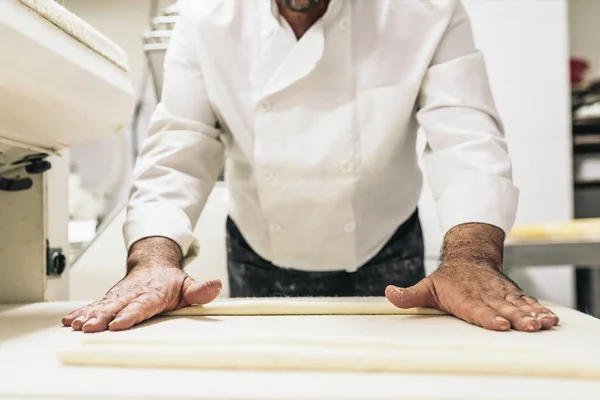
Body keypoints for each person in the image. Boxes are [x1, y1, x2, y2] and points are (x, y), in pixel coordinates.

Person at [63, 0, 559, 333]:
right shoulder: (205, 15)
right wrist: (151, 260)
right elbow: (181, 146)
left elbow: (465, 137)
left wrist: (472, 259)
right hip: (260, 250)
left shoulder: (423, 10)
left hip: (385, 245)